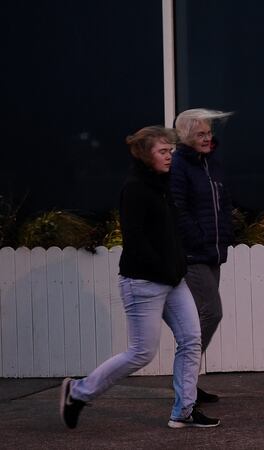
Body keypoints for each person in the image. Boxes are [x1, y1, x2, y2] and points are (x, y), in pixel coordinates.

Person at [59, 126, 220, 429]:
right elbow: (136, 241)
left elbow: (170, 233)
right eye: (163, 151)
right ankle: (78, 392)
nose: (169, 155)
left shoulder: (163, 184)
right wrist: (166, 269)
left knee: (191, 340)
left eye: (170, 150)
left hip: (173, 279)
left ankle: (184, 411)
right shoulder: (135, 189)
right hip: (143, 282)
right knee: (142, 352)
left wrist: (178, 265)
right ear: (146, 155)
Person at [171, 109, 234, 403]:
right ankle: (184, 384)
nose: (208, 138)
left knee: (201, 317)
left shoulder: (213, 164)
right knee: (212, 312)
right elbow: (178, 209)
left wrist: (226, 235)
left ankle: (188, 386)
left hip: (213, 251)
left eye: (209, 133)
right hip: (193, 253)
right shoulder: (180, 166)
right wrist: (197, 239)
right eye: (201, 134)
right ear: (185, 136)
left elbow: (222, 205)